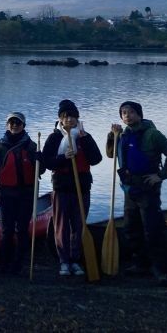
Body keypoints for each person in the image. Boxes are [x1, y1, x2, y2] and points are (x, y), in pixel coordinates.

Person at [107, 101, 167, 286]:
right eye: (123, 113)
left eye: (131, 112)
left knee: (153, 231)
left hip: (148, 189)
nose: (127, 116)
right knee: (132, 229)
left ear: (139, 114)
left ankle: (164, 271)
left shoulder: (152, 134)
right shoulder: (123, 135)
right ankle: (141, 265)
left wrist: (161, 176)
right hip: (129, 189)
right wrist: (112, 136)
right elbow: (111, 154)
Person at [42, 99, 102, 277]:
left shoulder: (84, 137)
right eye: (65, 117)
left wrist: (84, 140)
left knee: (79, 225)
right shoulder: (54, 138)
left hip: (81, 187)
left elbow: (96, 159)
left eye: (72, 116)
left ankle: (75, 260)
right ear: (60, 119)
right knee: (61, 226)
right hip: (61, 188)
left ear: (77, 118)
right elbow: (47, 161)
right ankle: (64, 261)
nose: (69, 120)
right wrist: (63, 158)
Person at [0, 111, 45, 274]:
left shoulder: (32, 146)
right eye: (12, 122)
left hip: (26, 194)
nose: (14, 125)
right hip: (6, 195)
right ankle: (4, 263)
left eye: (18, 123)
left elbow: (41, 170)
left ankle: (18, 263)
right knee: (6, 230)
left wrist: (40, 160)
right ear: (7, 125)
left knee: (22, 229)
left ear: (23, 126)